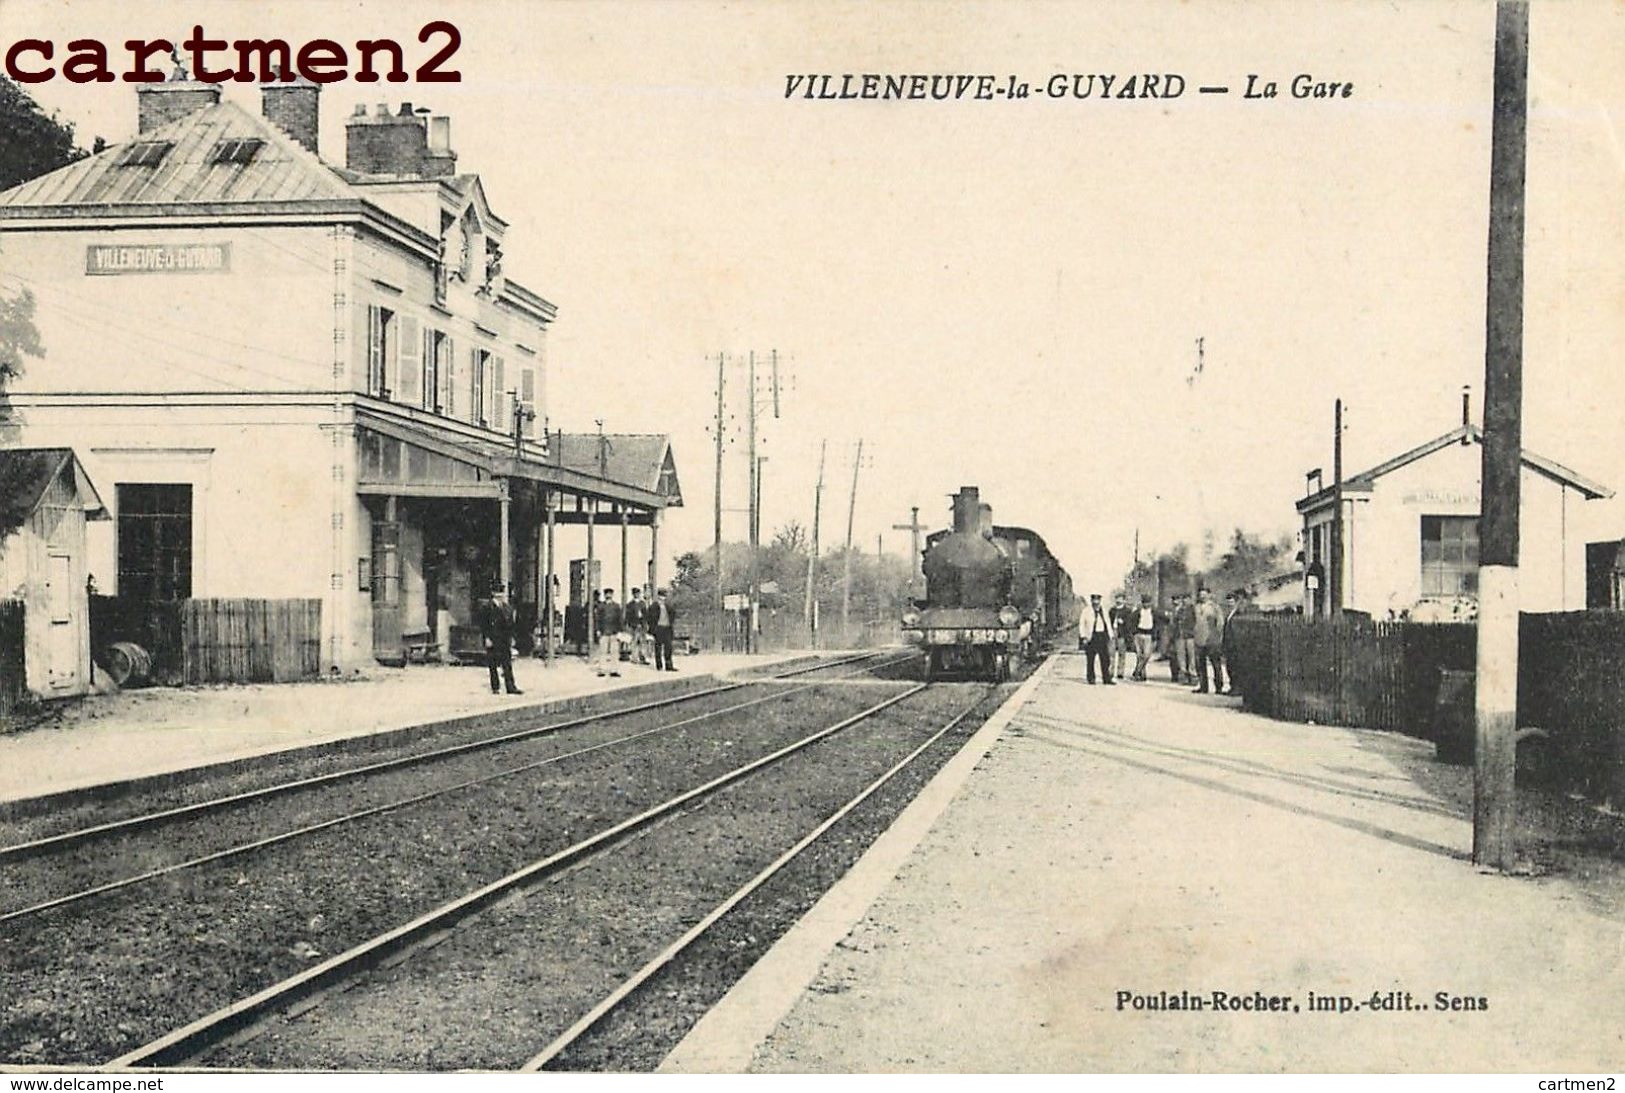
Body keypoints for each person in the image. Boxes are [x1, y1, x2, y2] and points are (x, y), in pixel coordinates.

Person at [478, 586, 522, 695]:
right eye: (497, 593)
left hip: (504, 639)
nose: (500, 595)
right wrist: (487, 638)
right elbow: (483, 625)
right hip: (493, 638)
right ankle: (495, 687)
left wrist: (512, 638)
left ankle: (510, 686)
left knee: (507, 663)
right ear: (493, 594)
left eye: (501, 593)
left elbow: (511, 625)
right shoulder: (487, 607)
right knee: (493, 664)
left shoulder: (506, 607)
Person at [1191, 587, 1226, 694]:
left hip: (1212, 639)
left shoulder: (1215, 607)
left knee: (1215, 664)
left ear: (1209, 595)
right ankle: (1203, 686)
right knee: (1200, 664)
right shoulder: (1196, 607)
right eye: (1201, 595)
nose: (1202, 597)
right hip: (1199, 639)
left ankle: (1218, 687)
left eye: (1204, 595)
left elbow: (1220, 624)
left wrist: (1217, 638)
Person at [1081, 593, 1114, 685]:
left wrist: (1111, 635)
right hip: (1091, 637)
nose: (1096, 603)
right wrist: (1083, 636)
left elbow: (1108, 623)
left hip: (1102, 636)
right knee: (1090, 659)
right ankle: (1091, 678)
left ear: (1100, 601)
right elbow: (1082, 624)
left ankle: (1106, 678)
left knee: (1105, 658)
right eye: (1094, 601)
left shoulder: (1104, 610)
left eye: (1098, 601)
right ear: (1091, 601)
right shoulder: (1086, 611)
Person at [649, 587, 678, 671]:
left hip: (667, 628)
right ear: (658, 596)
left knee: (668, 647)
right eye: (661, 596)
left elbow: (673, 614)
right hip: (658, 628)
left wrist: (671, 623)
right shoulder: (654, 606)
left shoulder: (668, 606)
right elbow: (650, 618)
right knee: (658, 647)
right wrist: (652, 629)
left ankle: (669, 665)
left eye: (664, 596)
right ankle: (659, 665)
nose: (663, 598)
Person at [597, 588, 623, 677]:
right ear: (604, 595)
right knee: (602, 651)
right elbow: (598, 619)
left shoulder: (616, 606)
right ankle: (602, 670)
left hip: (614, 631)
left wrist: (620, 631)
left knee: (614, 652)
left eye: (610, 594)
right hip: (604, 631)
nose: (608, 596)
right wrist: (598, 630)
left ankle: (614, 670)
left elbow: (620, 619)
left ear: (612, 595)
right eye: (606, 594)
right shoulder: (601, 606)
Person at [1174, 593, 1197, 685]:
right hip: (1179, 635)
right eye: (1183, 599)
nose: (1184, 601)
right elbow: (1175, 621)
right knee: (1181, 656)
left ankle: (1193, 675)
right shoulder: (1179, 609)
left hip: (1190, 635)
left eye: (1186, 599)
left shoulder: (1193, 609)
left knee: (1192, 656)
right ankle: (1183, 674)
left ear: (1190, 599)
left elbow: (1196, 621)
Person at [1109, 593, 1132, 681]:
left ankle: (1120, 672)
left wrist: (1124, 622)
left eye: (1120, 599)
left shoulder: (1127, 611)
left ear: (1124, 600)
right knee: (1111, 653)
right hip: (1113, 632)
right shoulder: (1112, 610)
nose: (1118, 600)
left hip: (1122, 633)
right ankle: (1110, 671)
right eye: (1117, 599)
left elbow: (1129, 623)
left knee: (1122, 653)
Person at [1131, 594, 1156, 681]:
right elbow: (1130, 621)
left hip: (1148, 634)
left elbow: (1161, 620)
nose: (1146, 604)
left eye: (1148, 603)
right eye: (1144, 603)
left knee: (1146, 655)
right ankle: (1142, 674)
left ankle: (1137, 671)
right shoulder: (1138, 612)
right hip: (1138, 633)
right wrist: (1133, 632)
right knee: (1139, 655)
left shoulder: (1154, 612)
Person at [624, 587, 650, 665]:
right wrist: (629, 624)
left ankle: (643, 657)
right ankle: (634, 658)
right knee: (634, 641)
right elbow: (628, 616)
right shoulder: (630, 604)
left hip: (642, 625)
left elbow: (646, 614)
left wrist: (646, 623)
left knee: (643, 641)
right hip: (634, 625)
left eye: (638, 593)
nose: (637, 595)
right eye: (635, 593)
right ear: (633, 594)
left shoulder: (642, 603)